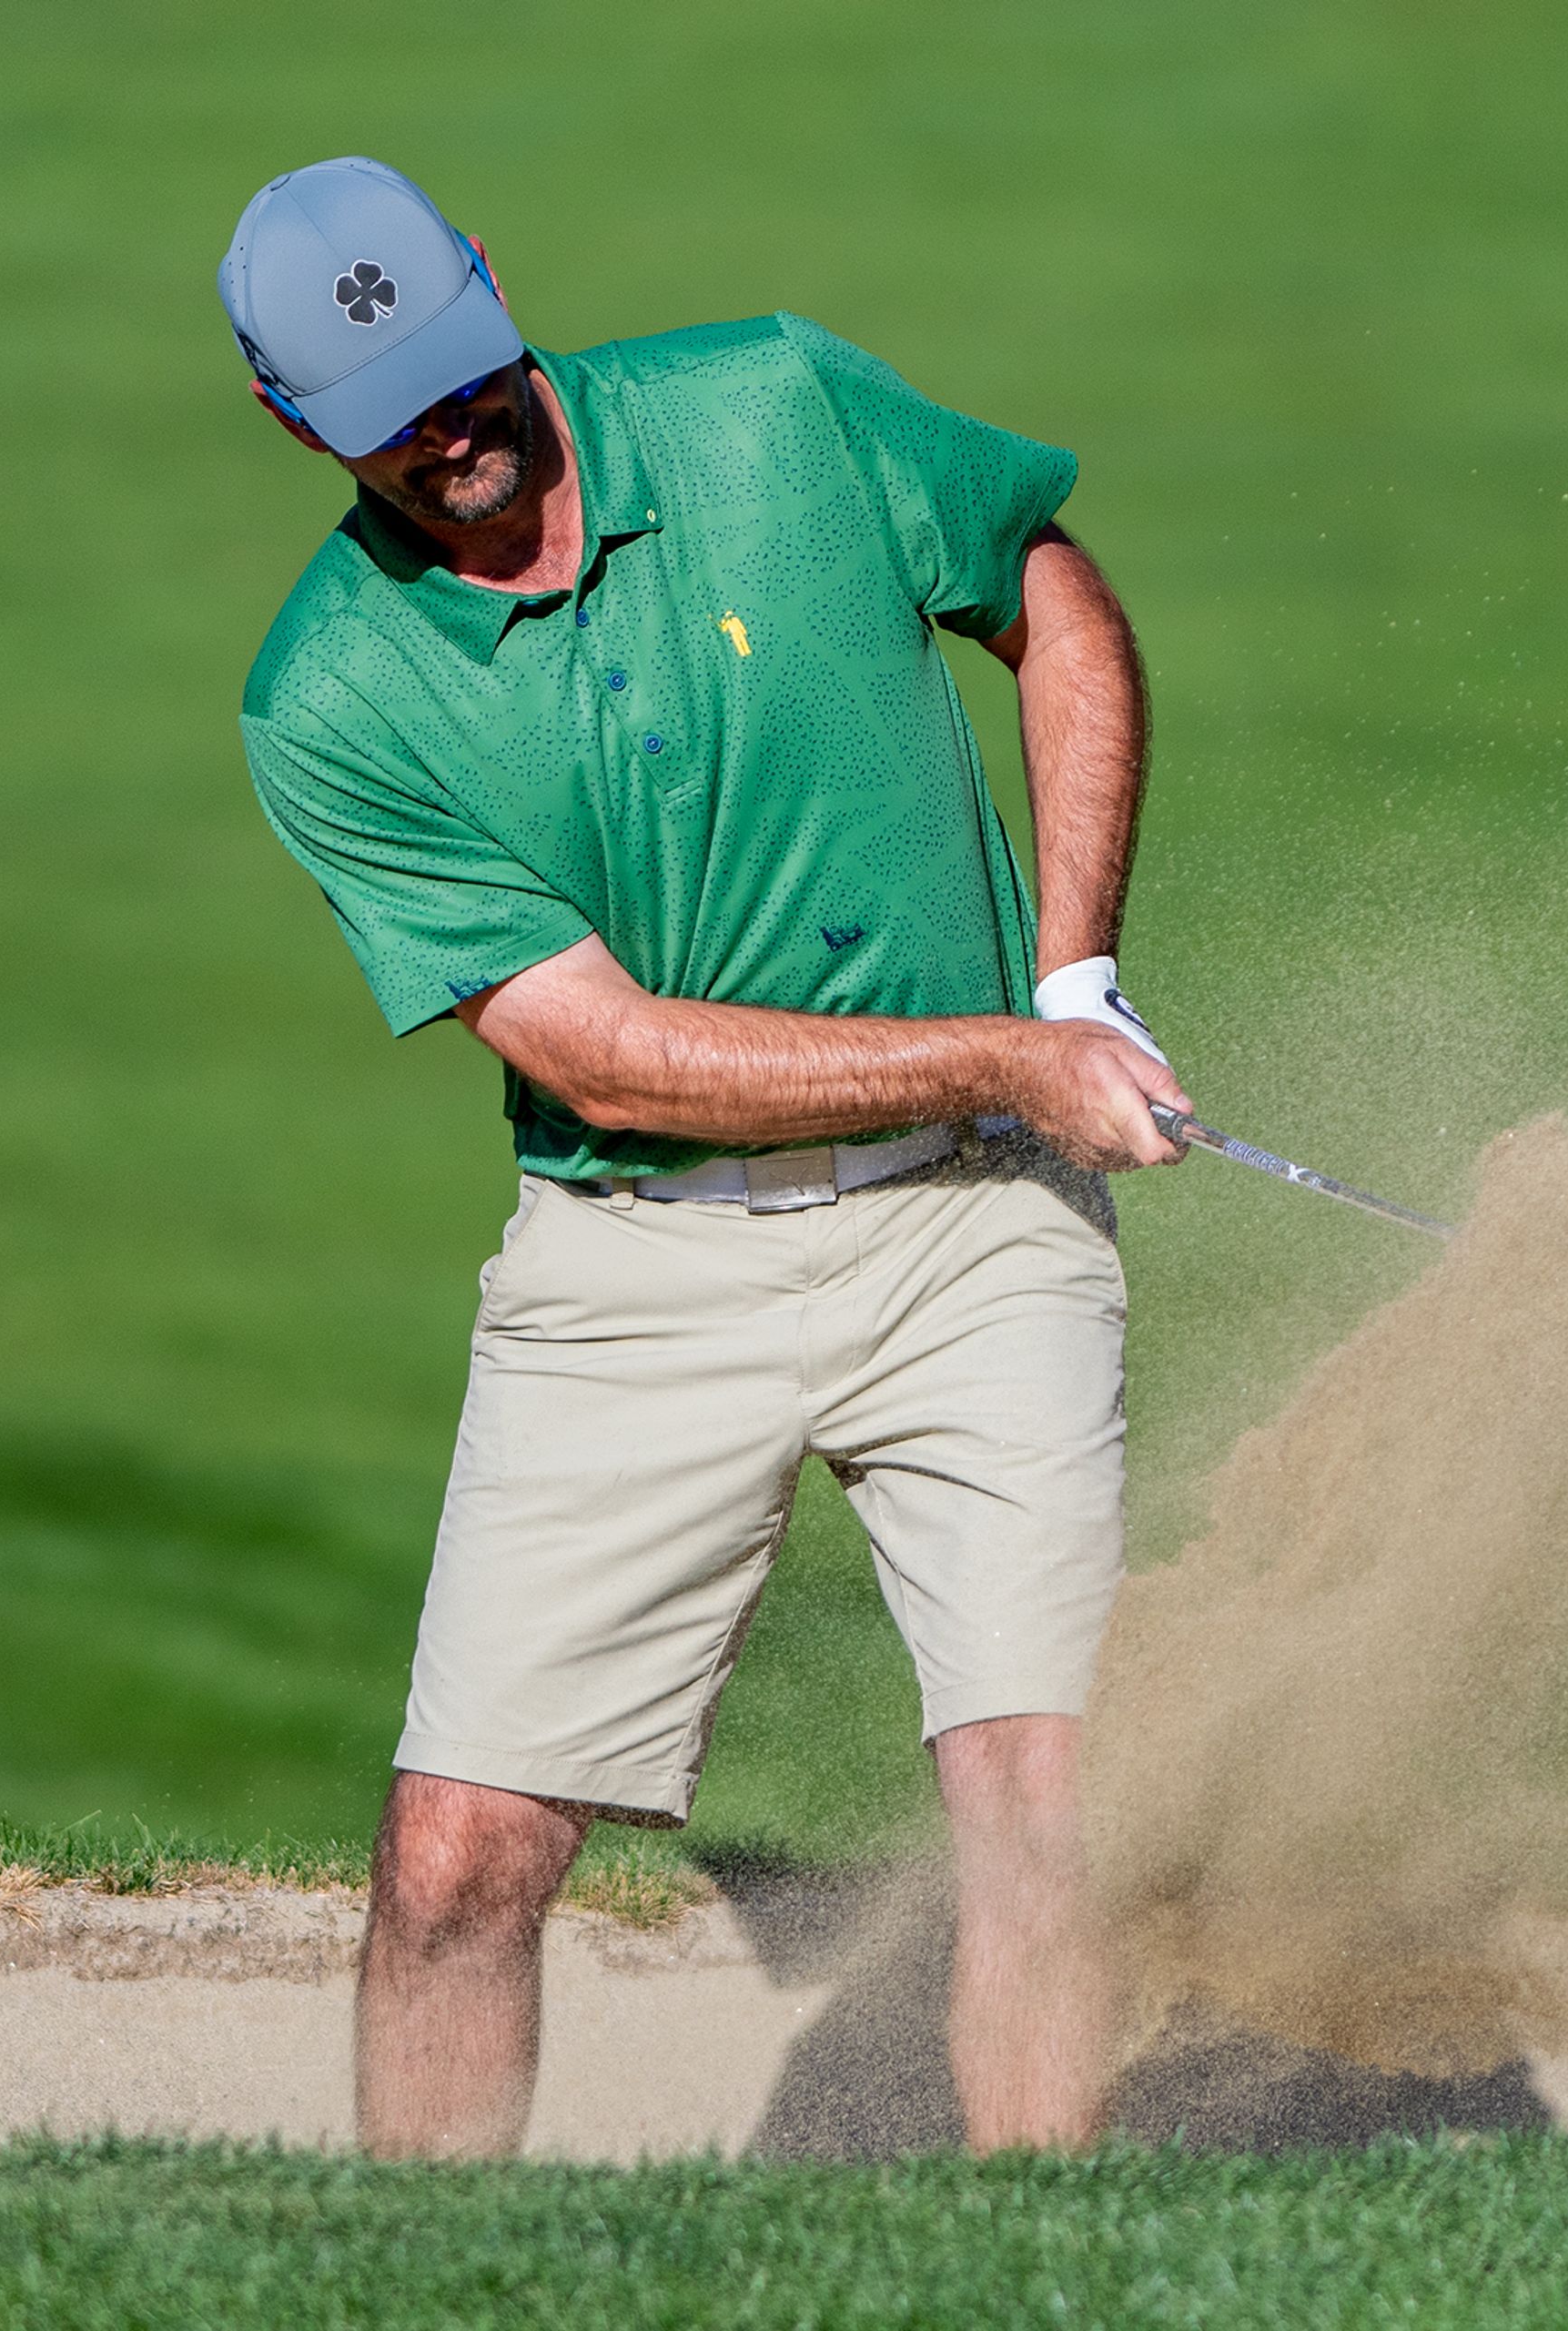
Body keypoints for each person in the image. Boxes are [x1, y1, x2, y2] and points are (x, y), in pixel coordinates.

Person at [217, 157, 1186, 2157]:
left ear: (494, 287)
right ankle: (432, 2303)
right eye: (385, 415)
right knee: (458, 1866)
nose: (453, 431)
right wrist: (1009, 1045)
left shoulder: (772, 404)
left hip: (979, 1228)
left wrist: (1075, 981)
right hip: (635, 1263)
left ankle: (1051, 2286)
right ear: (291, 426)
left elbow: (1057, 603)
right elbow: (616, 1061)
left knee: (1044, 1809)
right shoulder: (328, 697)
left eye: (462, 369)